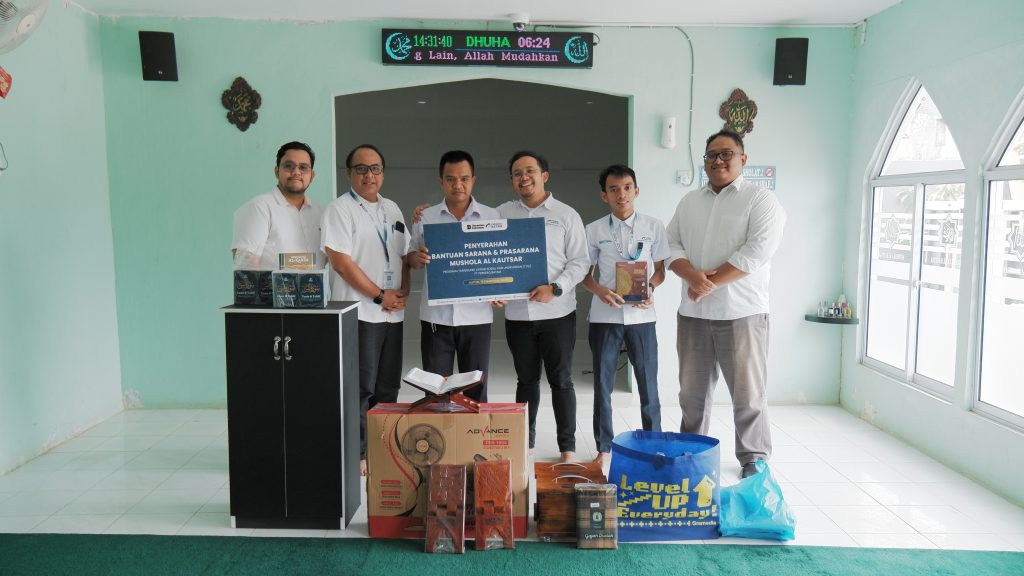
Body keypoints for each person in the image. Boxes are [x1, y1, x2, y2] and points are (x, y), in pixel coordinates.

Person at [666, 130, 786, 478]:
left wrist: (708, 283)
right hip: (693, 314)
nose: (717, 160)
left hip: (741, 313)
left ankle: (753, 457)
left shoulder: (760, 200)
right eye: (711, 155)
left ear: (742, 159)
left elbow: (757, 251)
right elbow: (671, 245)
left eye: (726, 154)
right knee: (692, 393)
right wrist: (692, 277)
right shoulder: (690, 201)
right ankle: (691, 452)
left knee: (748, 393)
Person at [321, 144, 410, 476]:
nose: (368, 175)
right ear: (349, 174)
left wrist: (402, 292)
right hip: (360, 313)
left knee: (388, 387)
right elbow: (341, 263)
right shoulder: (339, 209)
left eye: (375, 168)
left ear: (383, 173)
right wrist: (379, 296)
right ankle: (358, 452)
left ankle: (384, 448)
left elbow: (404, 256)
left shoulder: (392, 208)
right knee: (361, 388)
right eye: (361, 169)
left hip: (392, 314)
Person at [495, 150, 589, 463]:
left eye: (530, 171)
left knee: (561, 381)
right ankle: (526, 443)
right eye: (517, 173)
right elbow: (475, 239)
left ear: (544, 176)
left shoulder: (566, 215)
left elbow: (580, 261)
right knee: (526, 381)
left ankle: (567, 448)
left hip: (557, 313)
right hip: (518, 314)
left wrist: (556, 288)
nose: (524, 178)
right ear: (512, 180)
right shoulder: (501, 213)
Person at [582, 164, 668, 471]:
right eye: (614, 189)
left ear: (636, 190)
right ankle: (603, 448)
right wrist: (599, 291)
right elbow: (584, 275)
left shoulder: (654, 226)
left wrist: (650, 289)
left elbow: (660, 271)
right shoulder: (594, 230)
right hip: (605, 316)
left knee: (648, 385)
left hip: (642, 317)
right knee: (603, 386)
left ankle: (654, 446)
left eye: (627, 187)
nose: (622, 194)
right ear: (604, 195)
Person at [407, 151, 500, 402]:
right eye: (450, 179)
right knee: (436, 391)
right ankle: (439, 429)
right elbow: (410, 256)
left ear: (473, 180)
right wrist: (416, 258)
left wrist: (501, 292)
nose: (457, 185)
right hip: (436, 318)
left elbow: (499, 261)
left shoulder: (492, 216)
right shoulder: (425, 217)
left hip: (477, 316)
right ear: (441, 182)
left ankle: (474, 429)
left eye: (464, 178)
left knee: (476, 391)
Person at [232, 141, 324, 269]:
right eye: (289, 166)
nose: (296, 172)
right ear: (277, 171)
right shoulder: (259, 208)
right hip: (271, 283)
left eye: (303, 167)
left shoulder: (322, 213)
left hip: (315, 283)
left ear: (312, 176)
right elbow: (245, 267)